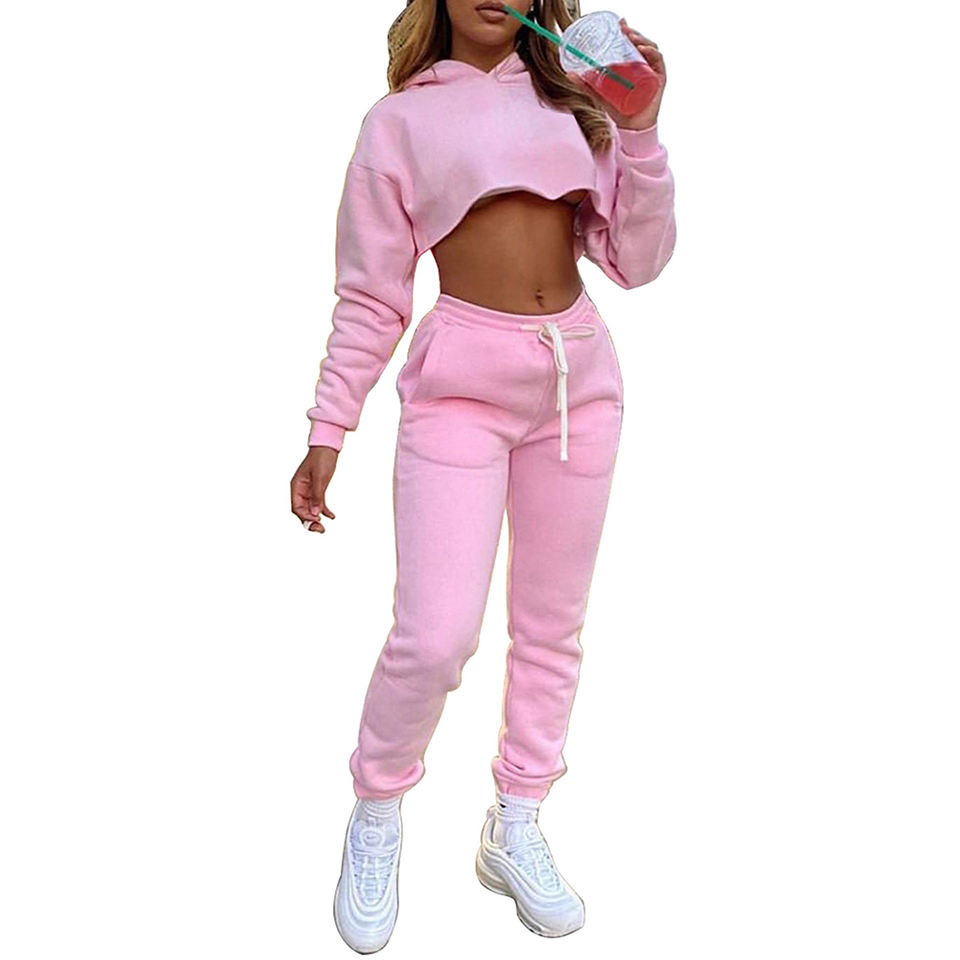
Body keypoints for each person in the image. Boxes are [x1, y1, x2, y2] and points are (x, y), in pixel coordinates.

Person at [289, 0, 675, 951]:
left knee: (551, 625)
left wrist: (639, 130)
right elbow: (372, 293)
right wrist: (330, 424)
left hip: (579, 382)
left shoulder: (577, 104)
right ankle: (378, 806)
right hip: (459, 387)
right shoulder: (400, 121)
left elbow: (639, 261)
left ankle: (518, 819)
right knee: (436, 635)